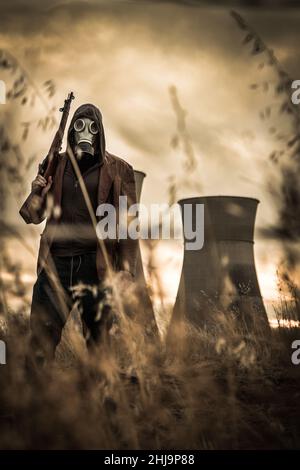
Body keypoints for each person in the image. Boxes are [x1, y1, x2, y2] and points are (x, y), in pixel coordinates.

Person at [19, 103, 138, 365]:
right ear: (72, 129)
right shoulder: (56, 164)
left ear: (100, 132)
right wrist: (36, 190)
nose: (85, 131)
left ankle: (99, 401)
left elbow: (129, 225)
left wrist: (127, 271)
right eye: (79, 125)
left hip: (95, 266)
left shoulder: (119, 170)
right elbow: (33, 216)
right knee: (40, 341)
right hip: (55, 265)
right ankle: (36, 401)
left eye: (92, 127)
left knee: (100, 345)